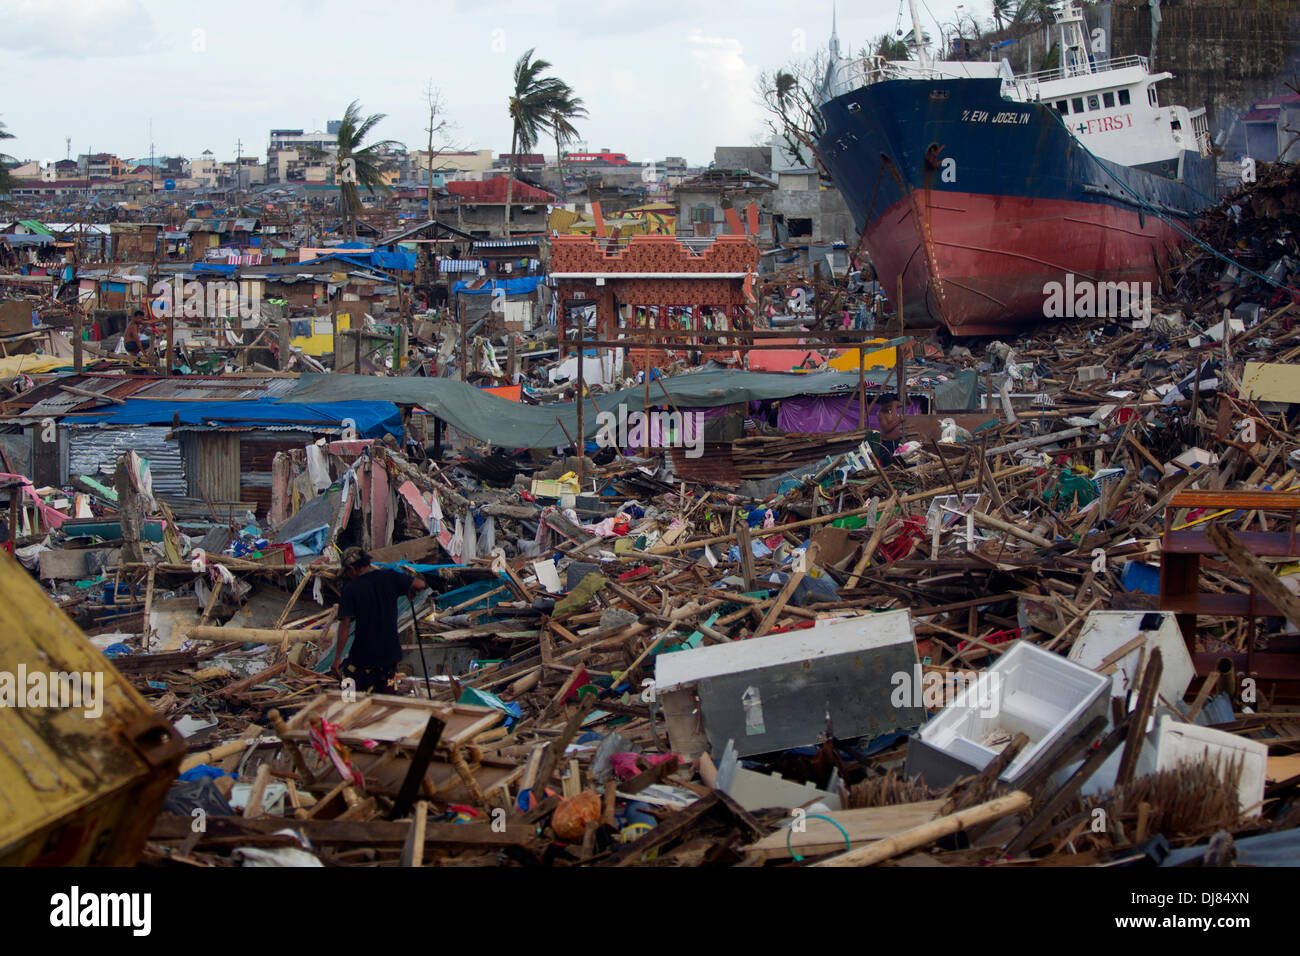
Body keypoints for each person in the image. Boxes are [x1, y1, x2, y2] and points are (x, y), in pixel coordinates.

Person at [330, 547, 428, 693]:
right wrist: (411, 590)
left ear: (352, 568)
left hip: (363, 658)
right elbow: (420, 584)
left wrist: (337, 658)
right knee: (387, 699)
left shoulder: (351, 589)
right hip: (390, 657)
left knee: (348, 696)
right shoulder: (389, 577)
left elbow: (345, 625)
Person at [876, 395, 904, 460]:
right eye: (886, 407)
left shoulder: (894, 404)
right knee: (887, 462)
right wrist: (899, 421)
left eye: (890, 406)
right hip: (888, 443)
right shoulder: (881, 414)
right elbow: (886, 429)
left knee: (899, 461)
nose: (889, 408)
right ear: (882, 405)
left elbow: (907, 403)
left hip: (897, 441)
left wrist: (906, 394)